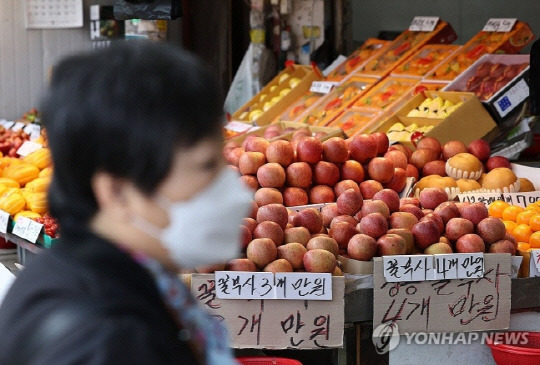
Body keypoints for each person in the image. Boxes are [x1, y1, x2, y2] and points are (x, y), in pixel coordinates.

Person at [0, 41, 252, 364]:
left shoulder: (96, 280)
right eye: (205, 166)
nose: (235, 190)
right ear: (117, 192)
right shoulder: (109, 342)